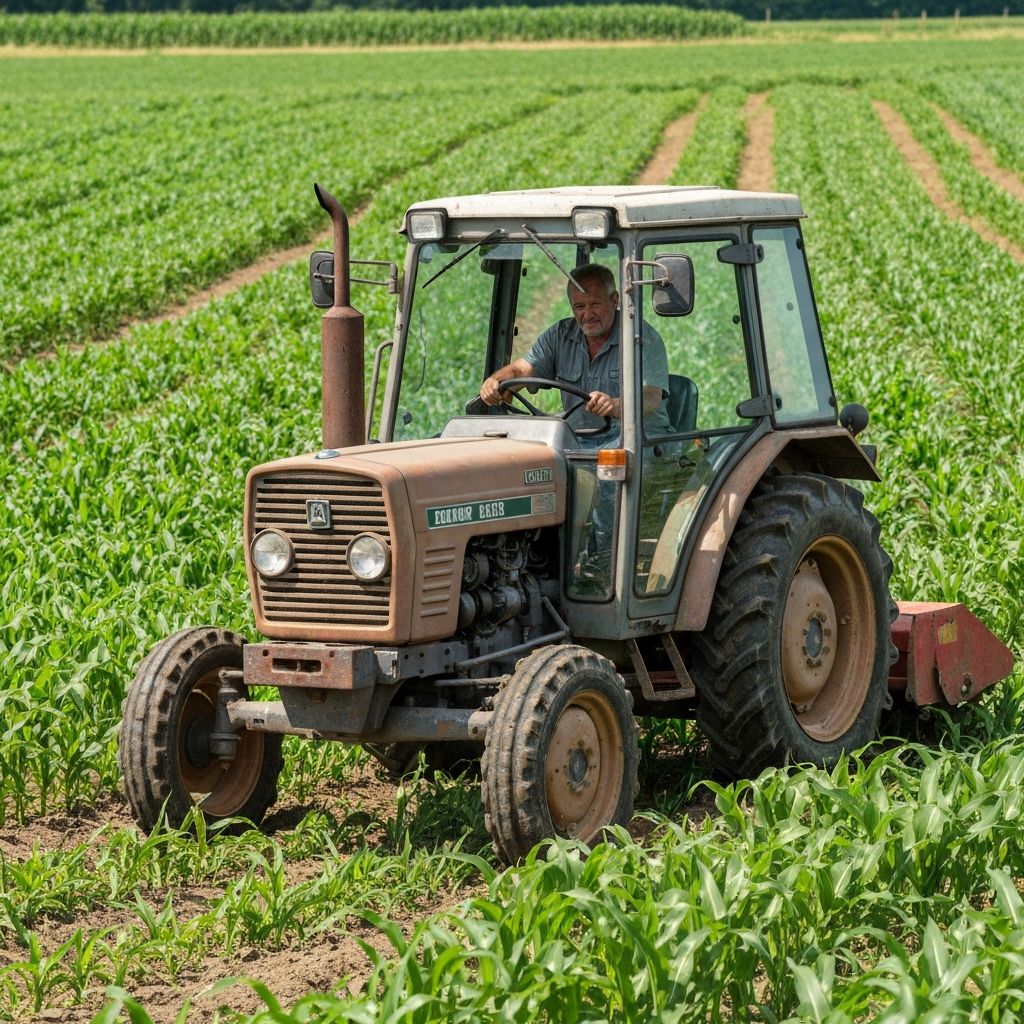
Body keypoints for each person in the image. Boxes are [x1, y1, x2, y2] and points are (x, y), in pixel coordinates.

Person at [479, 263, 671, 443]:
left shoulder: (641, 338)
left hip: (636, 442)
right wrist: (494, 382)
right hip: (579, 440)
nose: (587, 315)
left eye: (594, 304)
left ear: (614, 300)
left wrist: (615, 404)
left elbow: (651, 398)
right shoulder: (560, 335)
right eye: (579, 307)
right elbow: (521, 371)